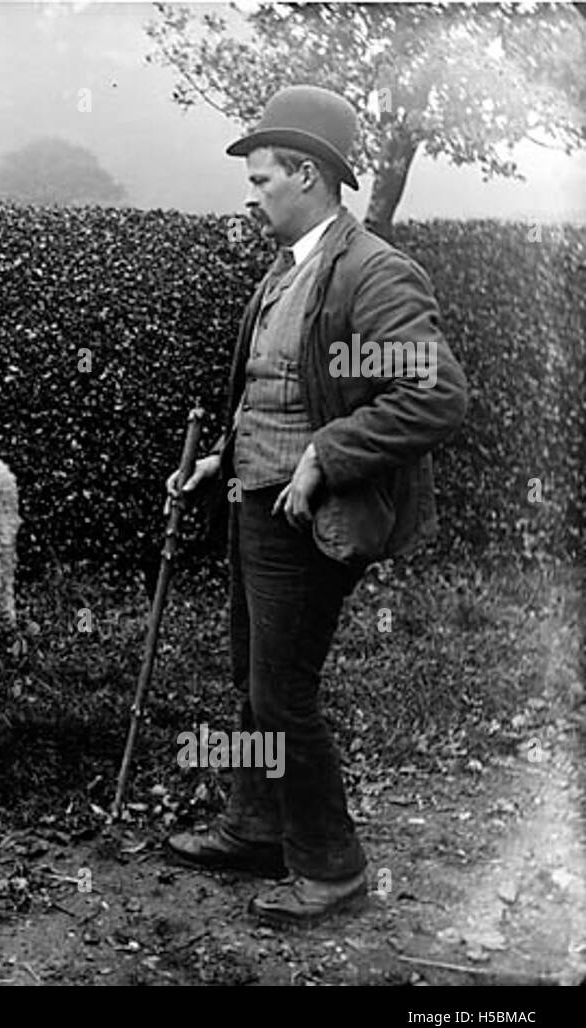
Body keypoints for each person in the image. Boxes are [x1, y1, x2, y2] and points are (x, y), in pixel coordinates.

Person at [164, 85, 469, 926]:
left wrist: (326, 457)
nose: (252, 192)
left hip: (309, 517)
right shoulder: (290, 267)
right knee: (251, 680)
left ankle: (333, 869)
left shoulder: (372, 270)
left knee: (283, 693)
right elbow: (285, 388)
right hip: (252, 499)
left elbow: (434, 393)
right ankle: (258, 827)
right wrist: (223, 457)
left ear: (307, 173)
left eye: (263, 178)